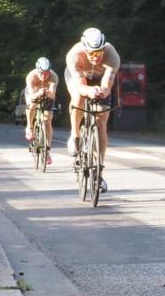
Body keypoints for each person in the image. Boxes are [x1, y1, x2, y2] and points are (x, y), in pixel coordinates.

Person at [65, 28, 120, 193]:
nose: (95, 57)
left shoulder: (112, 56)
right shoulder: (74, 55)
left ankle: (99, 171)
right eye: (91, 53)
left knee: (101, 122)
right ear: (84, 49)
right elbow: (80, 85)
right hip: (79, 78)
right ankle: (75, 135)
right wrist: (89, 91)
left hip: (100, 79)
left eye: (99, 53)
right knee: (78, 98)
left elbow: (107, 83)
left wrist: (103, 91)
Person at [25, 57, 58, 166]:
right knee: (32, 104)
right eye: (41, 73)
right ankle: (29, 127)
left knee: (48, 120)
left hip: (47, 95)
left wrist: (48, 93)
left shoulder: (54, 77)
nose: (44, 75)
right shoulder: (31, 77)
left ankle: (47, 151)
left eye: (46, 73)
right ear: (37, 71)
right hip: (34, 93)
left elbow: (53, 94)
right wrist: (39, 93)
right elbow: (32, 95)